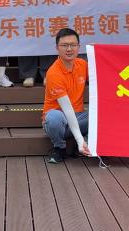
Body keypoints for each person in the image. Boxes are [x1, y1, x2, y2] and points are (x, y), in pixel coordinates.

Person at [43, 28, 90, 164]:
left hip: (79, 117)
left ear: (78, 46)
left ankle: (85, 145)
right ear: (57, 48)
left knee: (103, 112)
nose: (69, 49)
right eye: (64, 45)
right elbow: (68, 110)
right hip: (60, 120)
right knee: (54, 117)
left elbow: (99, 81)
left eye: (73, 45)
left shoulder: (82, 64)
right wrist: (79, 140)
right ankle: (59, 147)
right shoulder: (54, 73)